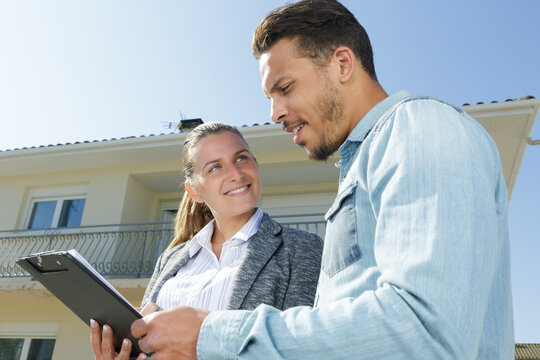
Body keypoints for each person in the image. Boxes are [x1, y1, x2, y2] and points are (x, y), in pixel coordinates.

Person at [130, 0, 514, 358]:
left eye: (285, 88)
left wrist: (211, 335)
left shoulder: (419, 128)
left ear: (342, 64)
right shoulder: (362, 166)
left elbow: (427, 330)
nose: (275, 112)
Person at [90, 122, 323, 359]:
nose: (236, 174)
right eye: (215, 168)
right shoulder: (169, 260)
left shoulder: (302, 249)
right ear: (194, 192)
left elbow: (305, 346)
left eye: (241, 158)